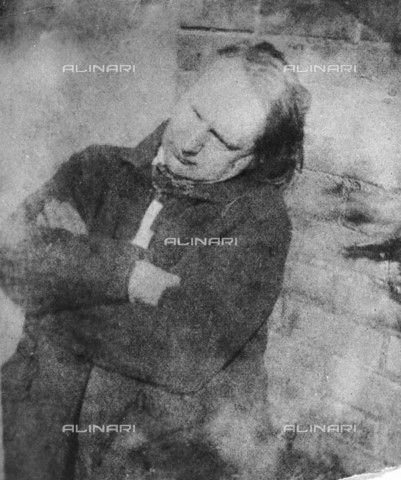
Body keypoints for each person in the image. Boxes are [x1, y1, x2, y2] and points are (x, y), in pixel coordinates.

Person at [0, 41, 310, 480]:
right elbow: (11, 257)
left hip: (151, 458)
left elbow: (183, 350)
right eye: (196, 112)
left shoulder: (257, 221)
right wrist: (127, 274)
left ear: (253, 158)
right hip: (39, 431)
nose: (191, 142)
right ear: (186, 92)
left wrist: (65, 274)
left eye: (224, 140)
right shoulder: (95, 168)